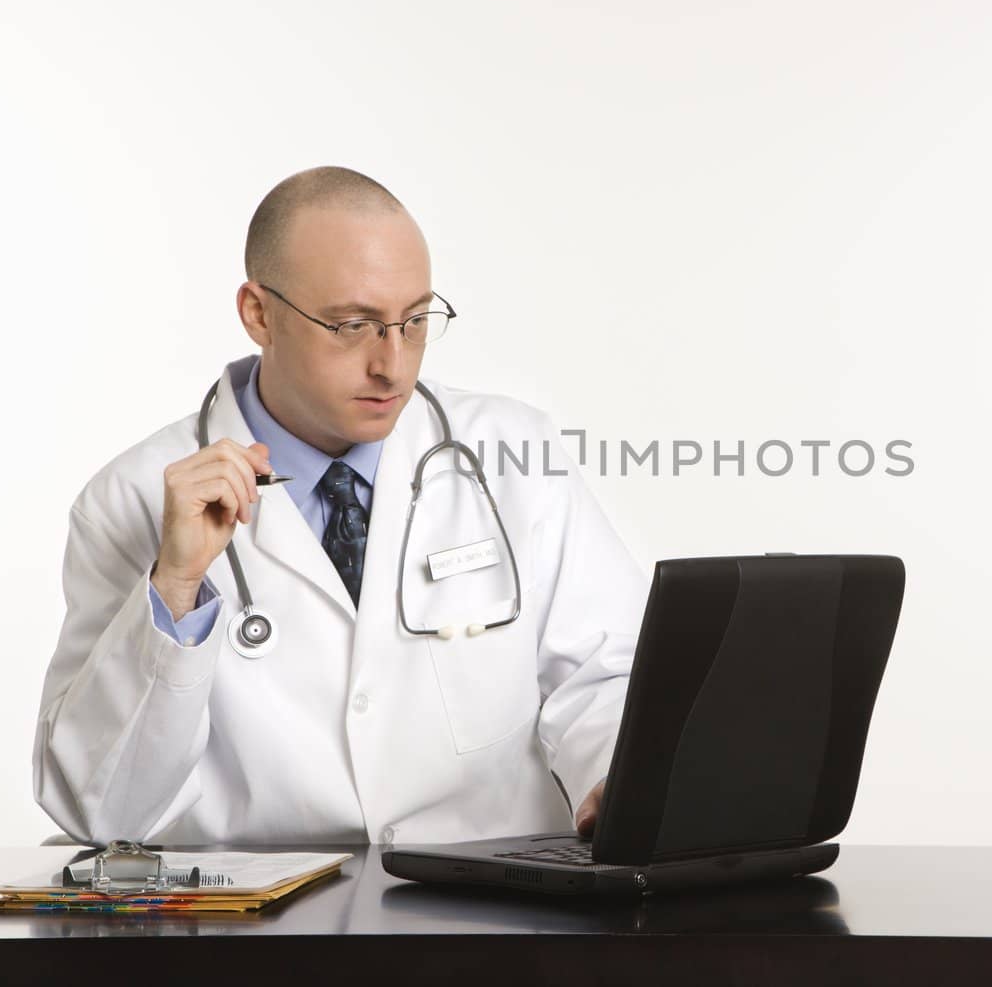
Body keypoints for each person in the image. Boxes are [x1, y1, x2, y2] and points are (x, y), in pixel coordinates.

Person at [32, 166, 647, 846]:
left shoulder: (513, 452)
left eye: (414, 321)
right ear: (258, 313)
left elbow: (604, 673)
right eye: (354, 325)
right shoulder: (131, 499)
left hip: (492, 915)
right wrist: (173, 589)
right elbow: (102, 809)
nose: (393, 365)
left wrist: (617, 780)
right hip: (259, 932)